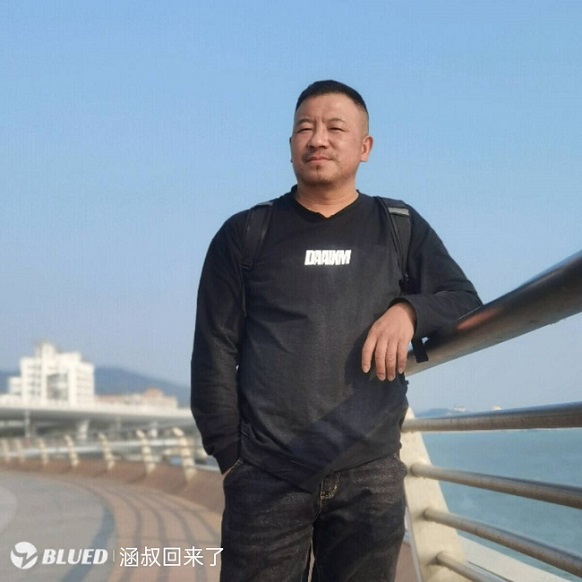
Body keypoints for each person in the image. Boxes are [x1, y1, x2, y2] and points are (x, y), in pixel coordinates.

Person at [191, 80, 481, 581]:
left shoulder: (399, 226)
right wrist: (232, 458)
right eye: (305, 128)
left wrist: (408, 311)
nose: (318, 139)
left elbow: (463, 299)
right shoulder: (246, 233)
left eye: (334, 128)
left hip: (368, 474)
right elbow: (214, 349)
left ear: (365, 147)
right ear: (290, 146)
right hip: (265, 474)